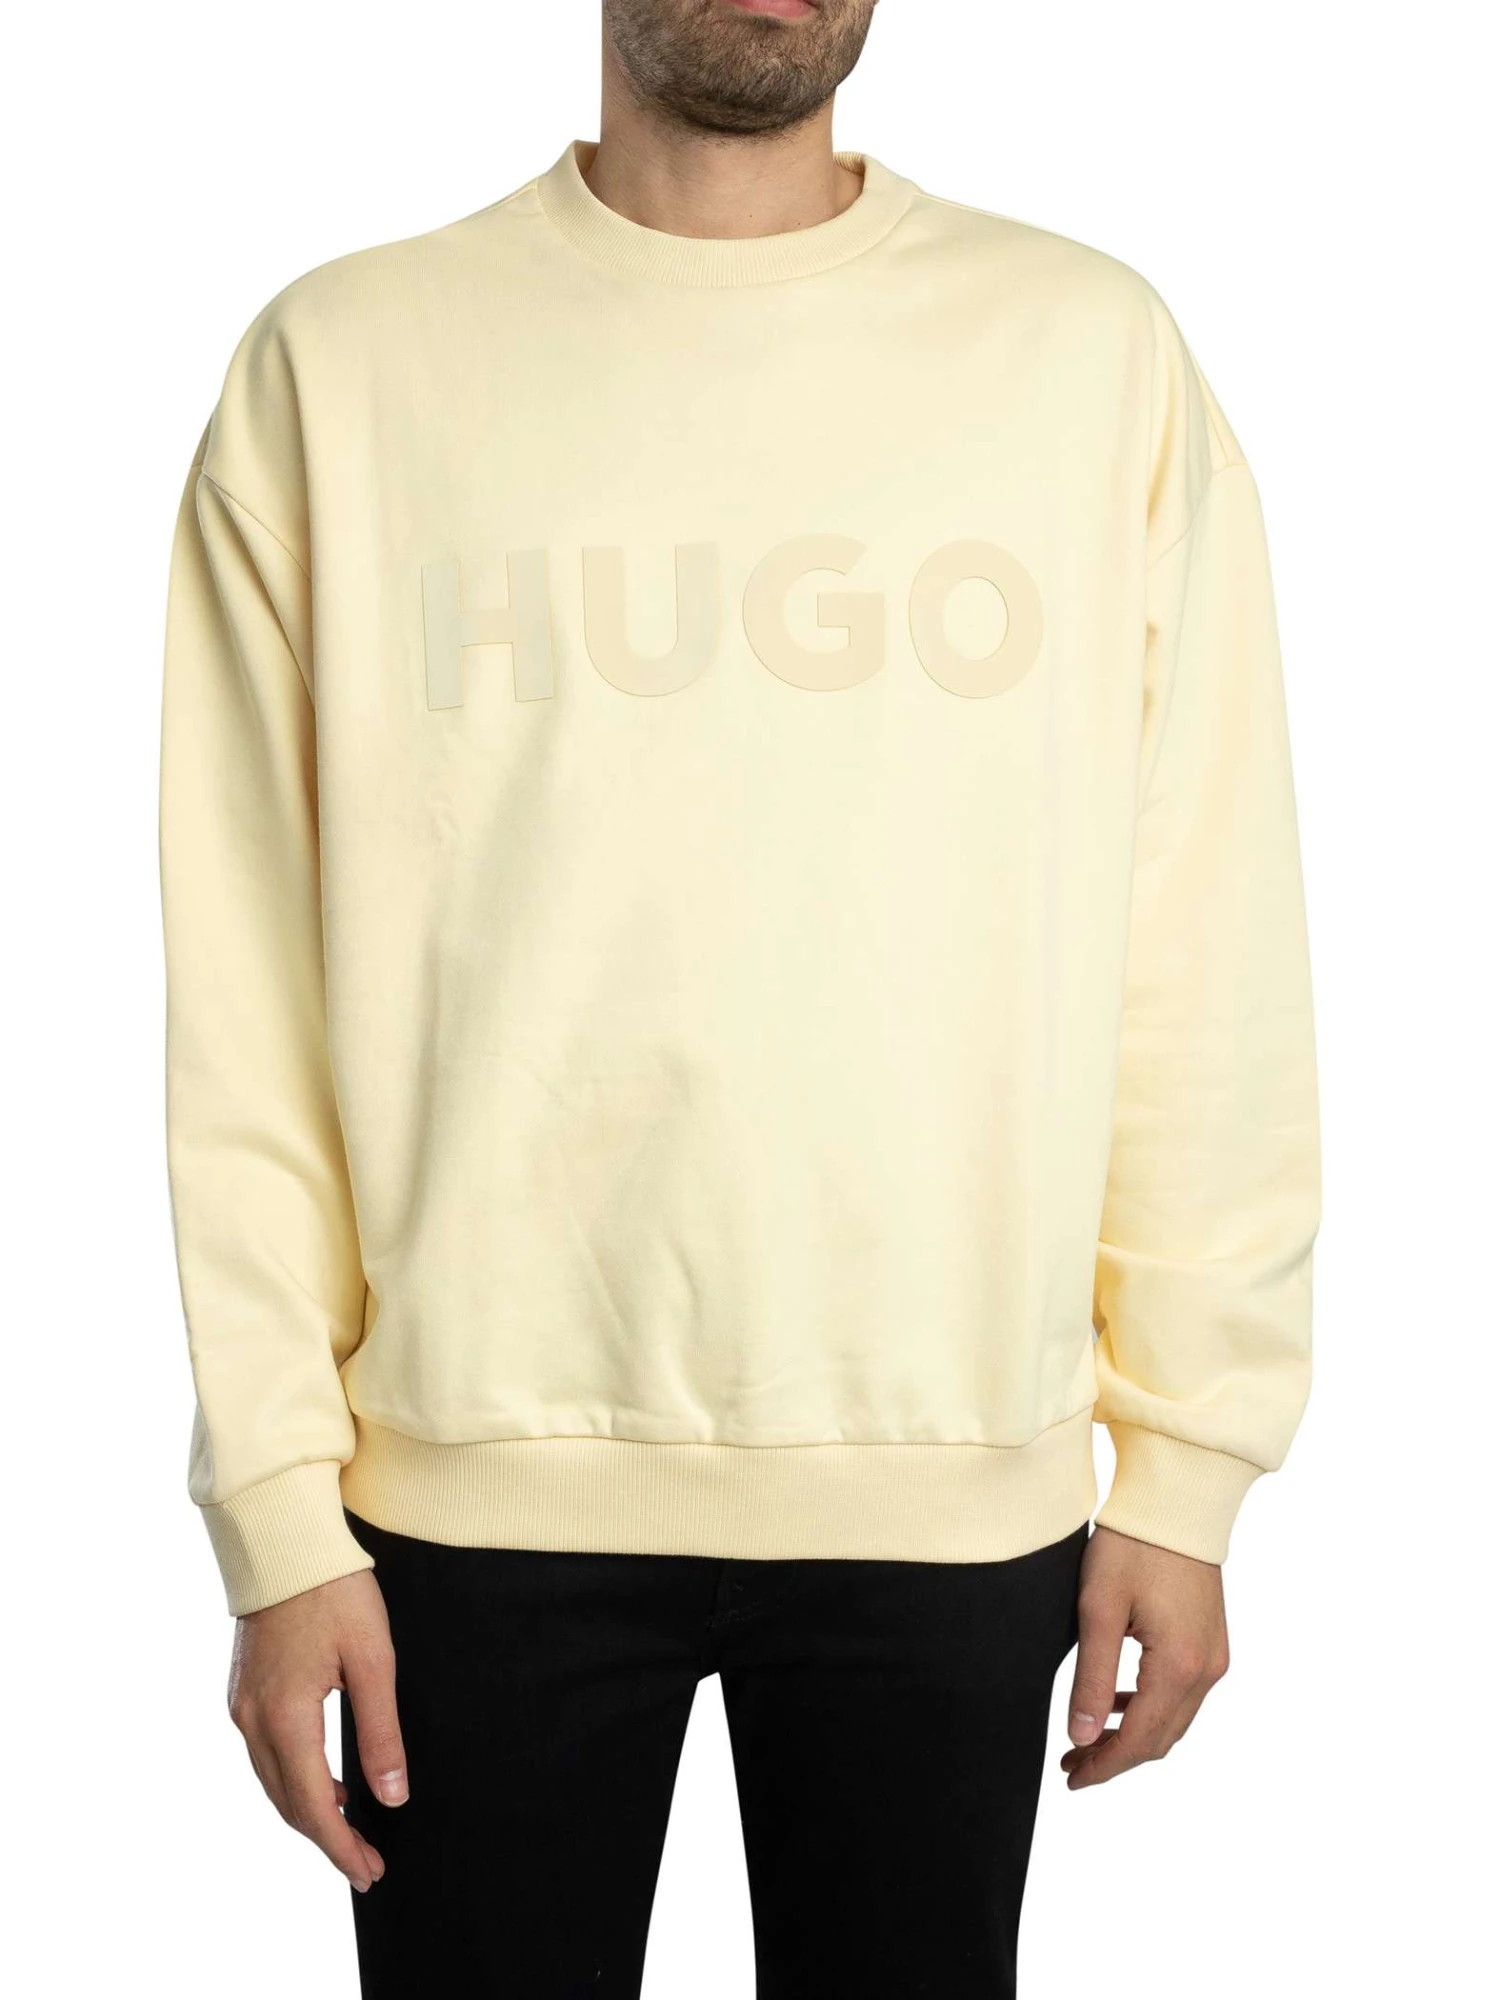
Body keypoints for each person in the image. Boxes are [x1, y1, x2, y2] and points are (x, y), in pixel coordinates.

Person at [159, 2, 1320, 1993]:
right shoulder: (342, 368)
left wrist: (1190, 1461)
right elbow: (246, 996)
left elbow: (1201, 937)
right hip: (462, 1482)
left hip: (954, 1473)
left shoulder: (1087, 356)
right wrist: (276, 1509)